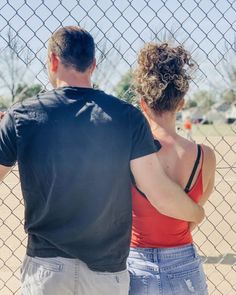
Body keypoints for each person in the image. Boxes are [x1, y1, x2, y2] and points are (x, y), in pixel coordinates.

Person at [0, 27, 204, 295]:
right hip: (105, 271)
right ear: (93, 65)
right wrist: (197, 212)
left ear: (53, 60)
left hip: (46, 268)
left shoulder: (22, 116)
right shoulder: (127, 117)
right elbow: (159, 194)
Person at [127, 43, 216, 295]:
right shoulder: (205, 156)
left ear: (143, 104)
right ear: (181, 103)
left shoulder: (130, 154)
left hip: (136, 263)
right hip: (184, 263)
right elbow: (192, 214)